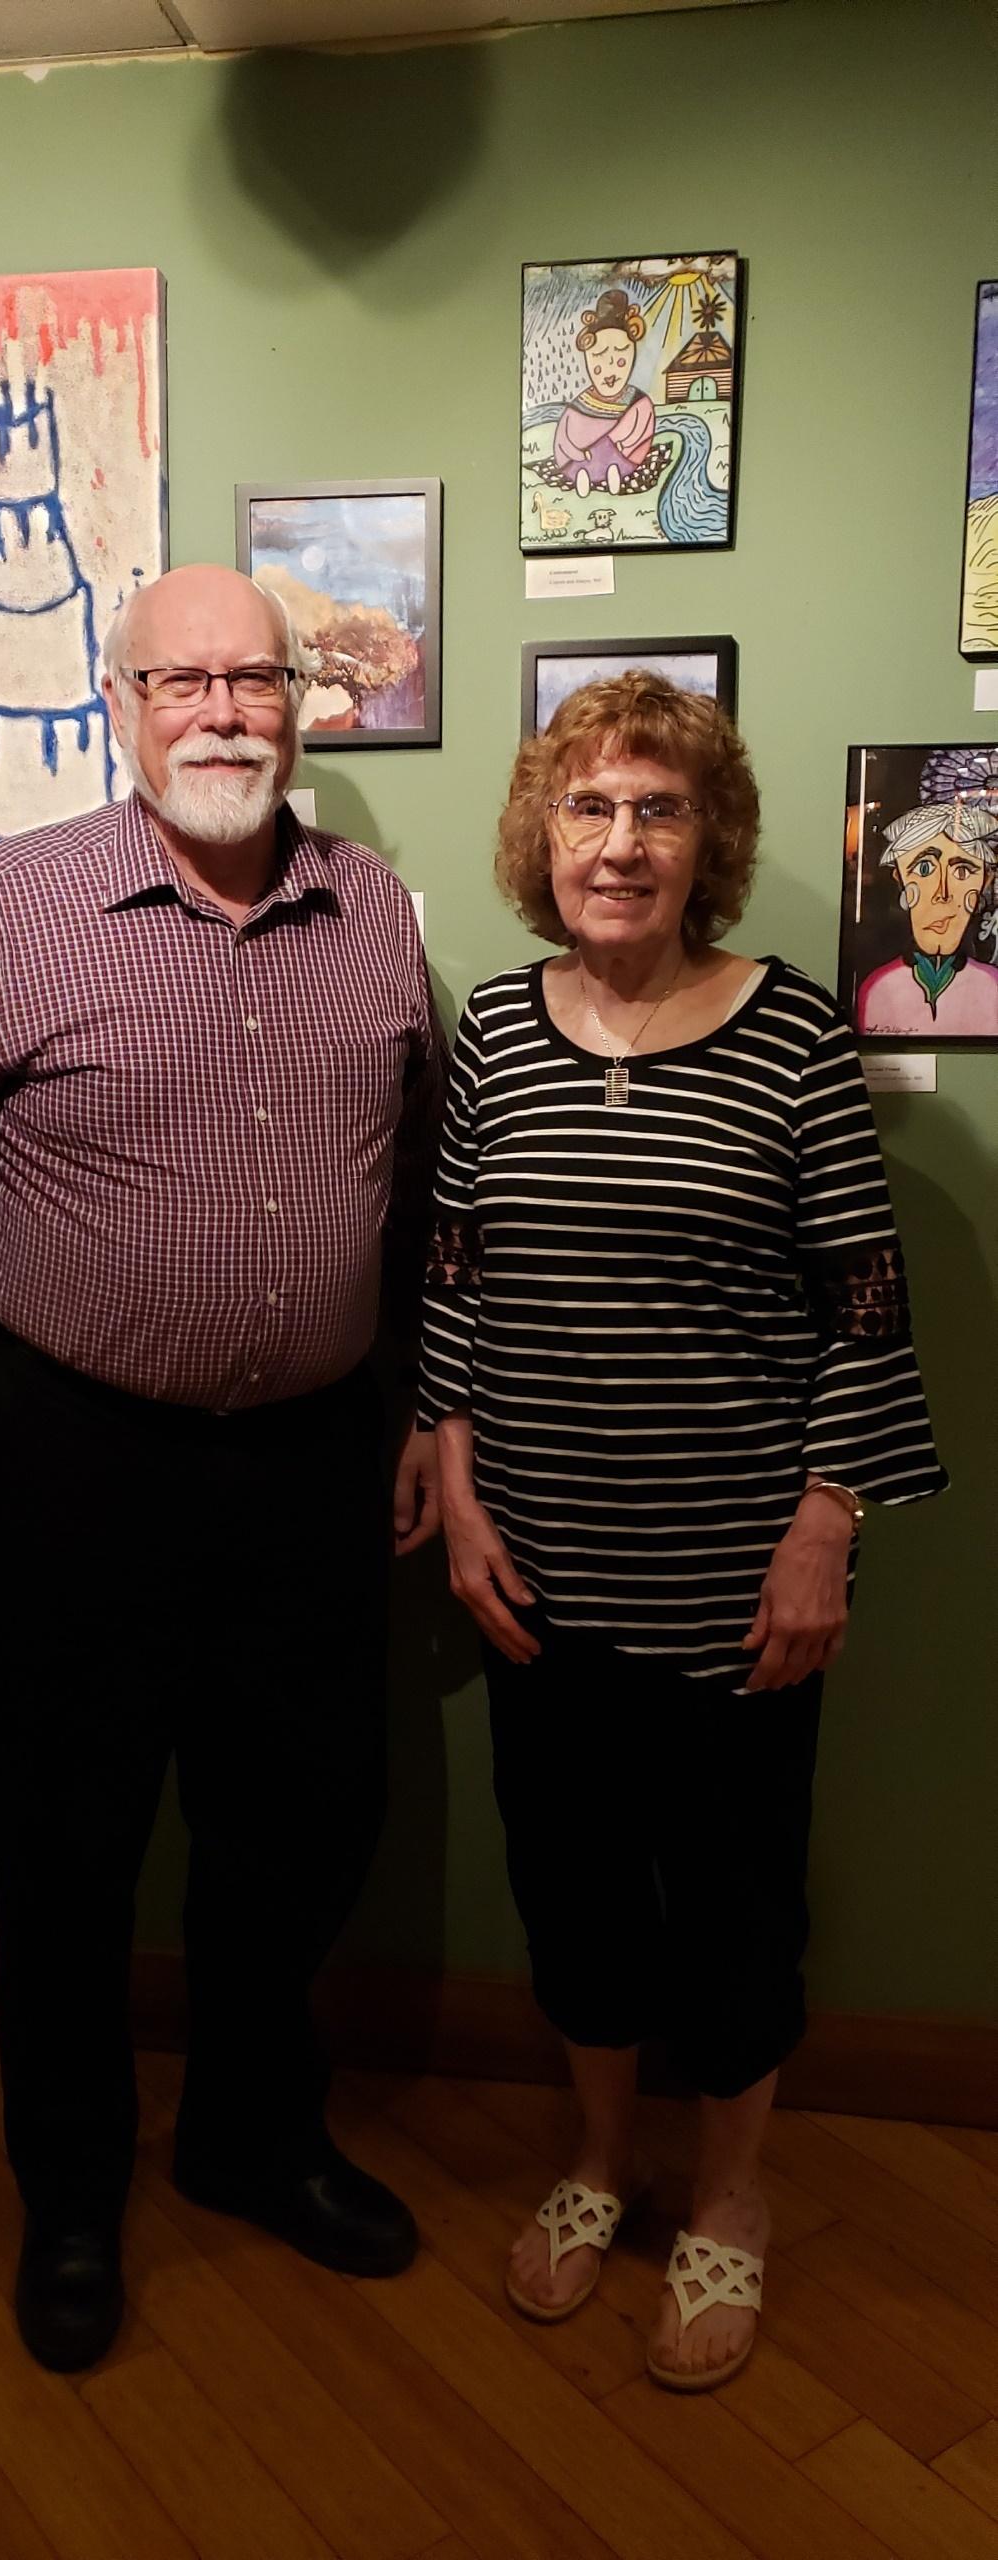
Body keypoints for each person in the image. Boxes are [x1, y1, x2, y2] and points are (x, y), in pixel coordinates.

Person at [0, 563, 447, 2372]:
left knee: (298, 1830)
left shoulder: (375, 912)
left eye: (254, 679)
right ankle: (73, 2192)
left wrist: (415, 1406)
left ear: (303, 703)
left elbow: (411, 1198)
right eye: (180, 680)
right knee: (70, 1850)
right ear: (121, 702)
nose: (223, 712)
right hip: (70, 1462)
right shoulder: (12, 913)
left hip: (312, 1469)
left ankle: (251, 2138)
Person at [419, 671, 946, 2393]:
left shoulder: (790, 1034)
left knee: (731, 1916)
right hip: (536, 1582)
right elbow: (450, 1289)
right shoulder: (492, 1033)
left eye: (657, 809)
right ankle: (595, 2164)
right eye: (588, 807)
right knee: (570, 1895)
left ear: (706, 837)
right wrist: (455, 1490)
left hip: (736, 1592)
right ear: (539, 834)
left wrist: (823, 1533)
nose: (620, 842)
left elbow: (861, 1308)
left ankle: (727, 2199)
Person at [856, 795, 998, 1035]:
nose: (941, 893)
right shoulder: (877, 989)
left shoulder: (993, 987)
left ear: (985, 883)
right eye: (924, 869)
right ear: (900, 879)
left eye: (962, 871)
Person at [552, 288, 657, 497]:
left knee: (611, 452)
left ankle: (612, 472)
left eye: (620, 359)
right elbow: (564, 437)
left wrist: (617, 442)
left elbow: (640, 432)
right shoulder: (581, 402)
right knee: (579, 461)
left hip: (622, 459)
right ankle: (583, 474)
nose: (610, 368)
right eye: (599, 357)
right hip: (580, 460)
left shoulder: (638, 402)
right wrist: (575, 451)